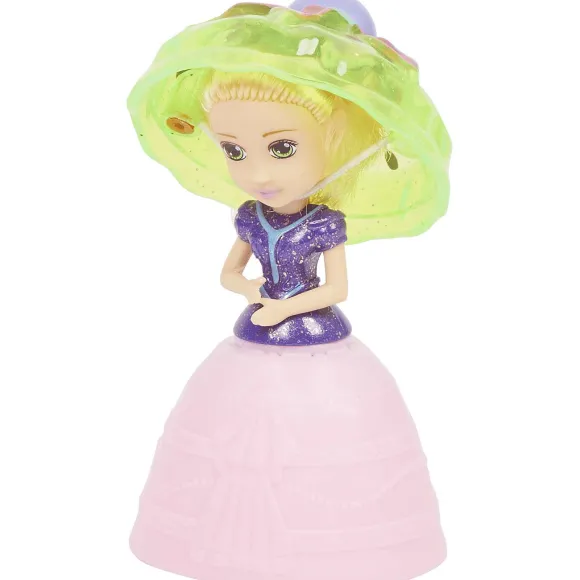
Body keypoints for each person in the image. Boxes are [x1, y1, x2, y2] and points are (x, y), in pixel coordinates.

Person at [127, 3, 452, 579]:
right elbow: (228, 273)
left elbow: (338, 288)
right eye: (234, 151)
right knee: (234, 435)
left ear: (336, 141)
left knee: (325, 440)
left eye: (281, 148)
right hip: (257, 330)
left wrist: (287, 306)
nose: (256, 173)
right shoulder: (250, 218)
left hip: (310, 330)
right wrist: (248, 288)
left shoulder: (325, 223)